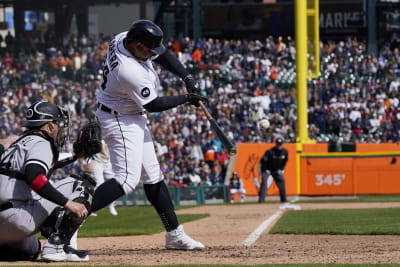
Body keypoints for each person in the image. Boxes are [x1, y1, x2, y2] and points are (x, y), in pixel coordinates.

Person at [91, 19, 206, 250]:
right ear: (138, 45)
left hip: (129, 114)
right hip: (119, 118)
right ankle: (68, 215)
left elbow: (163, 55)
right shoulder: (128, 70)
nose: (152, 54)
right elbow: (153, 104)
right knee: (126, 180)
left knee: (154, 177)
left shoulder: (126, 37)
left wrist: (187, 78)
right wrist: (187, 98)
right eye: (148, 50)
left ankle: (174, 234)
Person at [0, 101, 94, 262]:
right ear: (51, 125)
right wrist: (68, 203)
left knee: (32, 249)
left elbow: (30, 170)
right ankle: (56, 247)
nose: (60, 127)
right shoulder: (42, 142)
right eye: (58, 123)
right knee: (82, 183)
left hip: (4, 222)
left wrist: (74, 157)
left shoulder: (16, 144)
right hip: (17, 219)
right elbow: (34, 177)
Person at [90, 140, 118, 216]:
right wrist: (89, 161)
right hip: (96, 162)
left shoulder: (109, 133)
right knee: (99, 184)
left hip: (107, 162)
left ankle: (111, 205)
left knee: (116, 182)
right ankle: (90, 207)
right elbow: (89, 148)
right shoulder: (96, 133)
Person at [258, 137, 288, 203]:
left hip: (276, 170)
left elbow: (285, 161)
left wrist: (282, 169)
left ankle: (284, 199)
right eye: (278, 144)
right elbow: (263, 161)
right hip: (267, 169)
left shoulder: (285, 152)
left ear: (282, 144)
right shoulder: (270, 152)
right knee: (264, 182)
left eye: (280, 144)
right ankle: (261, 200)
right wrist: (265, 169)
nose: (279, 146)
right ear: (276, 144)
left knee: (282, 181)